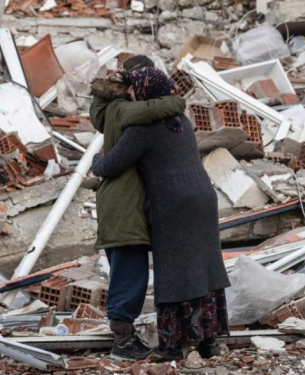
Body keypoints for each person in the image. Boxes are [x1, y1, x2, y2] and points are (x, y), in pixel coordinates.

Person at [92, 67, 231, 361]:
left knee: (173, 272)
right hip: (204, 198)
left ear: (144, 92)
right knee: (203, 267)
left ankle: (170, 347)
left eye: (133, 89)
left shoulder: (143, 130)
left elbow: (110, 166)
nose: (129, 94)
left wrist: (96, 158)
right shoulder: (183, 121)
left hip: (173, 203)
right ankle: (208, 343)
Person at [89, 56, 187, 361]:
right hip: (123, 205)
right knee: (130, 275)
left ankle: (124, 338)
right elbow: (155, 108)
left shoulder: (109, 110)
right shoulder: (121, 111)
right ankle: (122, 342)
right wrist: (177, 102)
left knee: (128, 272)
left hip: (122, 203)